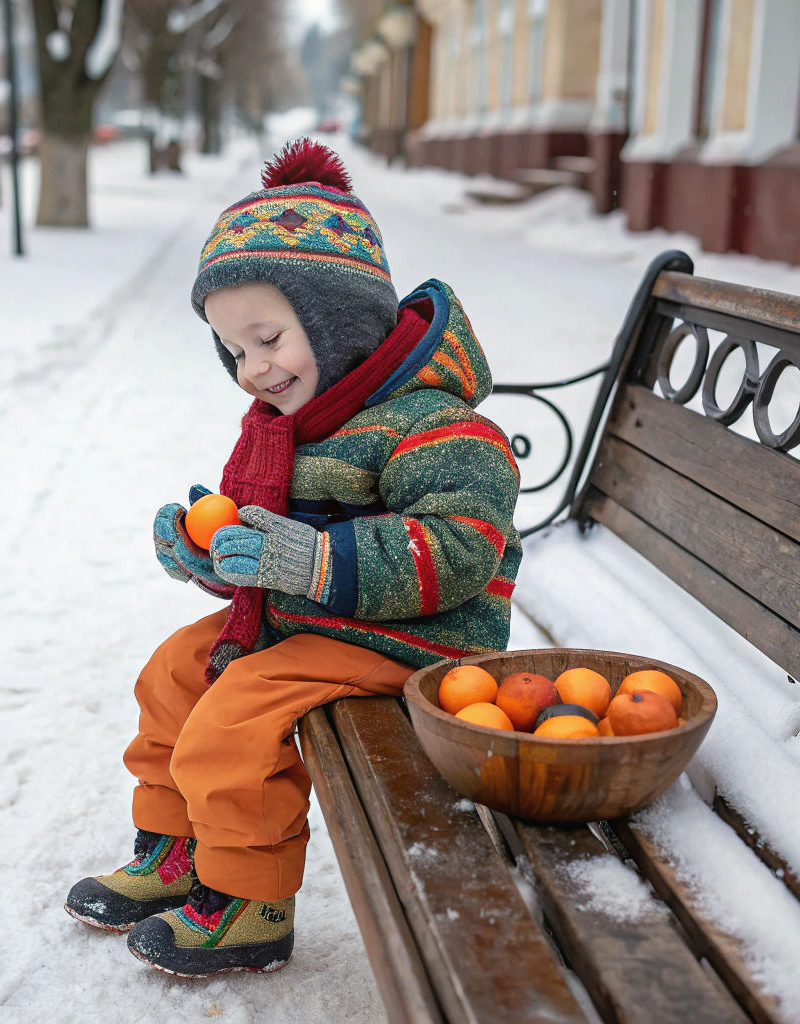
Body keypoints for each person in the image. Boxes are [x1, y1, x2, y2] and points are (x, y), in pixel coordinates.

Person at [64, 139, 522, 978]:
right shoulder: (291, 420)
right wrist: (208, 551)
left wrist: (309, 562)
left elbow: (459, 549)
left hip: (413, 640)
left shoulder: (437, 424)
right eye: (234, 352)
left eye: (269, 338)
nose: (252, 371)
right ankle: (175, 854)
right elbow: (263, 539)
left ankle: (248, 900)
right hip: (311, 616)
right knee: (175, 671)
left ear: (339, 319)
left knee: (235, 712)